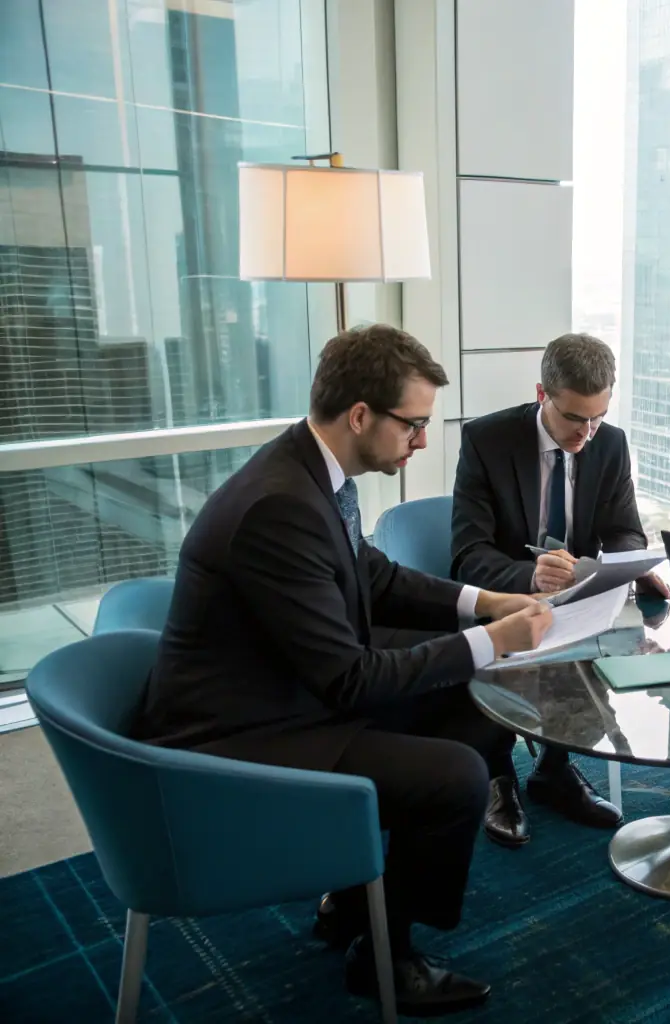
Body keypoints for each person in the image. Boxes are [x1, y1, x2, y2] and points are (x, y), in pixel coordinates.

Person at [137, 324, 553, 1017]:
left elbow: (372, 574)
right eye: (413, 425)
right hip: (238, 738)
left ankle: (357, 903)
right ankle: (384, 955)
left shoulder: (308, 470)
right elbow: (350, 681)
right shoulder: (279, 505)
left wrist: (483, 604)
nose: (422, 442)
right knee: (455, 776)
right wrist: (492, 640)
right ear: (360, 415)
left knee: (474, 696)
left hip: (284, 685)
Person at [450, 333, 668, 843]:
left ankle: (554, 767)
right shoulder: (487, 440)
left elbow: (625, 529)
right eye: (574, 418)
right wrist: (529, 578)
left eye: (597, 417)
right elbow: (468, 554)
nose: (585, 433)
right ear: (541, 394)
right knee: (515, 640)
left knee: (612, 635)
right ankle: (499, 774)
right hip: (506, 599)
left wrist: (622, 564)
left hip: (578, 599)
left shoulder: (609, 443)